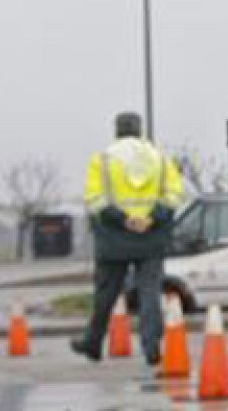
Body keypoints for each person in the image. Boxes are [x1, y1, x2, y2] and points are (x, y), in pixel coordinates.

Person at [69, 111, 184, 364]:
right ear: (139, 129)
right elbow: (174, 195)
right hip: (151, 237)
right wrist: (152, 217)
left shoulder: (102, 160)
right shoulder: (161, 159)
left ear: (117, 130)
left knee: (105, 293)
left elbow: (95, 200)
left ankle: (93, 342)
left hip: (114, 239)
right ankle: (151, 347)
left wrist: (124, 219)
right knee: (149, 293)